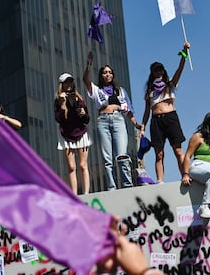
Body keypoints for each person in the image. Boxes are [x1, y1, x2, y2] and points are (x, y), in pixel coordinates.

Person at [83, 52, 142, 191]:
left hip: (118, 120)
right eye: (104, 72)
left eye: (110, 72)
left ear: (113, 75)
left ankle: (127, 185)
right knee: (107, 157)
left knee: (122, 155)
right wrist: (89, 64)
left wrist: (135, 124)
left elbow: (128, 111)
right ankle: (112, 187)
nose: (107, 74)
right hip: (103, 121)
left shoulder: (121, 91)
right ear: (101, 75)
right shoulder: (97, 90)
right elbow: (85, 79)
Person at [141, 41, 190, 184]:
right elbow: (146, 111)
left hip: (171, 118)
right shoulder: (150, 92)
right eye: (155, 71)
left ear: (163, 71)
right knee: (159, 154)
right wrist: (143, 126)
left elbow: (179, 69)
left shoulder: (170, 85)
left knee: (178, 151)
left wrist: (184, 53)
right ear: (152, 73)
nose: (158, 73)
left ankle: (185, 175)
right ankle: (160, 181)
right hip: (156, 121)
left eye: (160, 70)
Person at [54, 73, 92, 194]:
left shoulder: (79, 98)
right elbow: (58, 119)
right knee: (71, 167)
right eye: (66, 82)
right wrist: (63, 104)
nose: (69, 84)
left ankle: (87, 193)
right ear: (62, 85)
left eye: (70, 82)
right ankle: (74, 194)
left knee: (83, 165)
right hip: (66, 136)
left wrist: (83, 114)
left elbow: (87, 120)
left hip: (81, 134)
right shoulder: (58, 100)